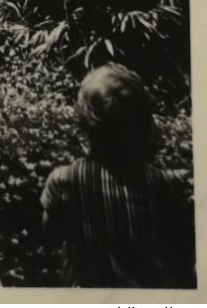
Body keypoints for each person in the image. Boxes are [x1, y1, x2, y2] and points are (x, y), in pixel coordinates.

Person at [41, 63, 194, 288]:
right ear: (143, 126)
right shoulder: (164, 184)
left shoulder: (65, 181)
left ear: (84, 126)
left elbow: (50, 236)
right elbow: (182, 250)